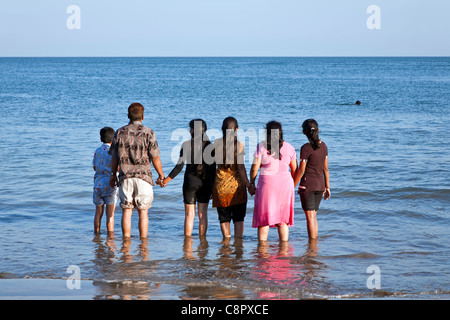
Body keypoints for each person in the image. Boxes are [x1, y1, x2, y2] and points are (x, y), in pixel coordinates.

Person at [109, 102, 165, 239]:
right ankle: (143, 243)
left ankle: (126, 242)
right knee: (143, 212)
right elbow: (155, 157)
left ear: (128, 115)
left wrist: (112, 175)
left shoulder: (119, 132)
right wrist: (161, 175)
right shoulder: (149, 133)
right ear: (143, 117)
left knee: (126, 211)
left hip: (125, 177)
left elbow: (114, 158)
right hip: (144, 177)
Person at [160, 119, 215, 237]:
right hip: (206, 183)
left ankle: (188, 245)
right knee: (203, 214)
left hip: (190, 182)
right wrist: (214, 188)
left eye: (190, 128)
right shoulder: (211, 146)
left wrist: (166, 181)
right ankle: (202, 243)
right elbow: (213, 170)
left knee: (189, 214)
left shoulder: (186, 145)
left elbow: (179, 167)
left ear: (193, 130)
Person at [250, 121, 297, 242]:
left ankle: (262, 250)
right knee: (283, 220)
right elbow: (294, 169)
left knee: (264, 219)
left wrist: (251, 183)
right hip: (285, 184)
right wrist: (292, 184)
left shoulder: (261, 146)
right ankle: (284, 250)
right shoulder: (289, 147)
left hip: (267, 184)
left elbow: (255, 168)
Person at [212, 117, 254, 239]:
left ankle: (226, 245)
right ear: (237, 129)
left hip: (220, 187)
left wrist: (211, 188)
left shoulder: (216, 144)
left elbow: (212, 165)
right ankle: (238, 245)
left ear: (222, 129)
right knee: (239, 219)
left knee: (224, 219)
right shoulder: (239, 145)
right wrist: (248, 185)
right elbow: (241, 168)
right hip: (237, 188)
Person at [293, 119, 330, 239]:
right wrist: (327, 187)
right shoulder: (324, 146)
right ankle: (314, 246)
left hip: (307, 186)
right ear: (318, 130)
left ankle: (312, 245)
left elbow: (302, 171)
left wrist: (292, 186)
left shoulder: (305, 148)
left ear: (304, 132)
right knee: (314, 216)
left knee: (310, 217)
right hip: (320, 185)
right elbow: (326, 169)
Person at [93, 126, 118, 235]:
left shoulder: (97, 151)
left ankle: (97, 233)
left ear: (100, 138)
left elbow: (94, 167)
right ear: (114, 139)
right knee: (110, 214)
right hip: (110, 185)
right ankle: (110, 236)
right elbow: (117, 168)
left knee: (98, 212)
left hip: (98, 184)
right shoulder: (114, 151)